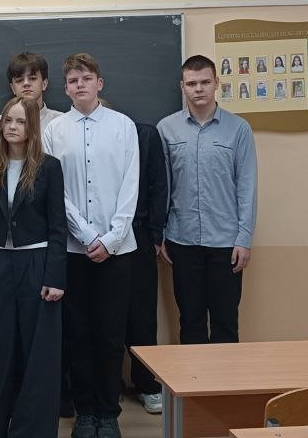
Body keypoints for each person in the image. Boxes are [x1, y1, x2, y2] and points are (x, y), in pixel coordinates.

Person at [42, 53, 139, 438]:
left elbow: (130, 186)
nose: (80, 85)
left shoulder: (123, 125)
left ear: (99, 83)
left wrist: (112, 237)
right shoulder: (55, 130)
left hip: (119, 250)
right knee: (77, 334)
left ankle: (108, 412)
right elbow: (56, 191)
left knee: (111, 334)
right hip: (73, 250)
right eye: (73, 80)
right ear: (65, 88)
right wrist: (85, 235)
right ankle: (85, 413)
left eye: (86, 78)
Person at [0, 97, 66, 438]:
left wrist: (55, 277)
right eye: (8, 120)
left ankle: (32, 429)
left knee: (38, 353)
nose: (12, 126)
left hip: (36, 264)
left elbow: (58, 228)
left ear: (32, 127)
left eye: (20, 121)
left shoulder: (49, 168)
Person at [157, 55, 258, 345]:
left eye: (205, 82)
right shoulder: (166, 129)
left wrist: (244, 239)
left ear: (217, 84)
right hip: (182, 240)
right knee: (190, 322)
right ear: (182, 87)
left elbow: (247, 186)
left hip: (226, 243)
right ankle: (194, 377)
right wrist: (160, 234)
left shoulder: (238, 129)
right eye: (191, 83)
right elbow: (163, 186)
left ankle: (225, 377)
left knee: (226, 323)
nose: (198, 89)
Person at [125, 121, 170, 414]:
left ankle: (146, 384)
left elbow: (158, 185)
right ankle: (108, 384)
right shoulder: (80, 134)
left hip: (139, 233)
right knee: (103, 315)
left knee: (142, 314)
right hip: (96, 236)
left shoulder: (144, 134)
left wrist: (155, 234)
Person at [0, 52, 64, 146]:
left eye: (32, 78)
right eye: (19, 80)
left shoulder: (61, 122)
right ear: (13, 88)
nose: (26, 83)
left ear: (44, 84)